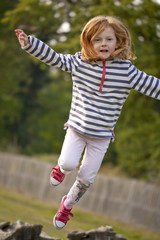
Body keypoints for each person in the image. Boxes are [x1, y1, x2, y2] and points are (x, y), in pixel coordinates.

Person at [15, 15, 160, 229]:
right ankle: (61, 168)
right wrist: (30, 45)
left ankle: (67, 205)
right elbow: (55, 58)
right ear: (89, 42)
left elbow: (152, 84)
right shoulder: (79, 62)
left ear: (118, 42)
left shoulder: (127, 71)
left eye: (109, 39)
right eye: (97, 39)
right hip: (77, 128)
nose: (103, 44)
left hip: (101, 137)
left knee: (86, 179)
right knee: (69, 164)